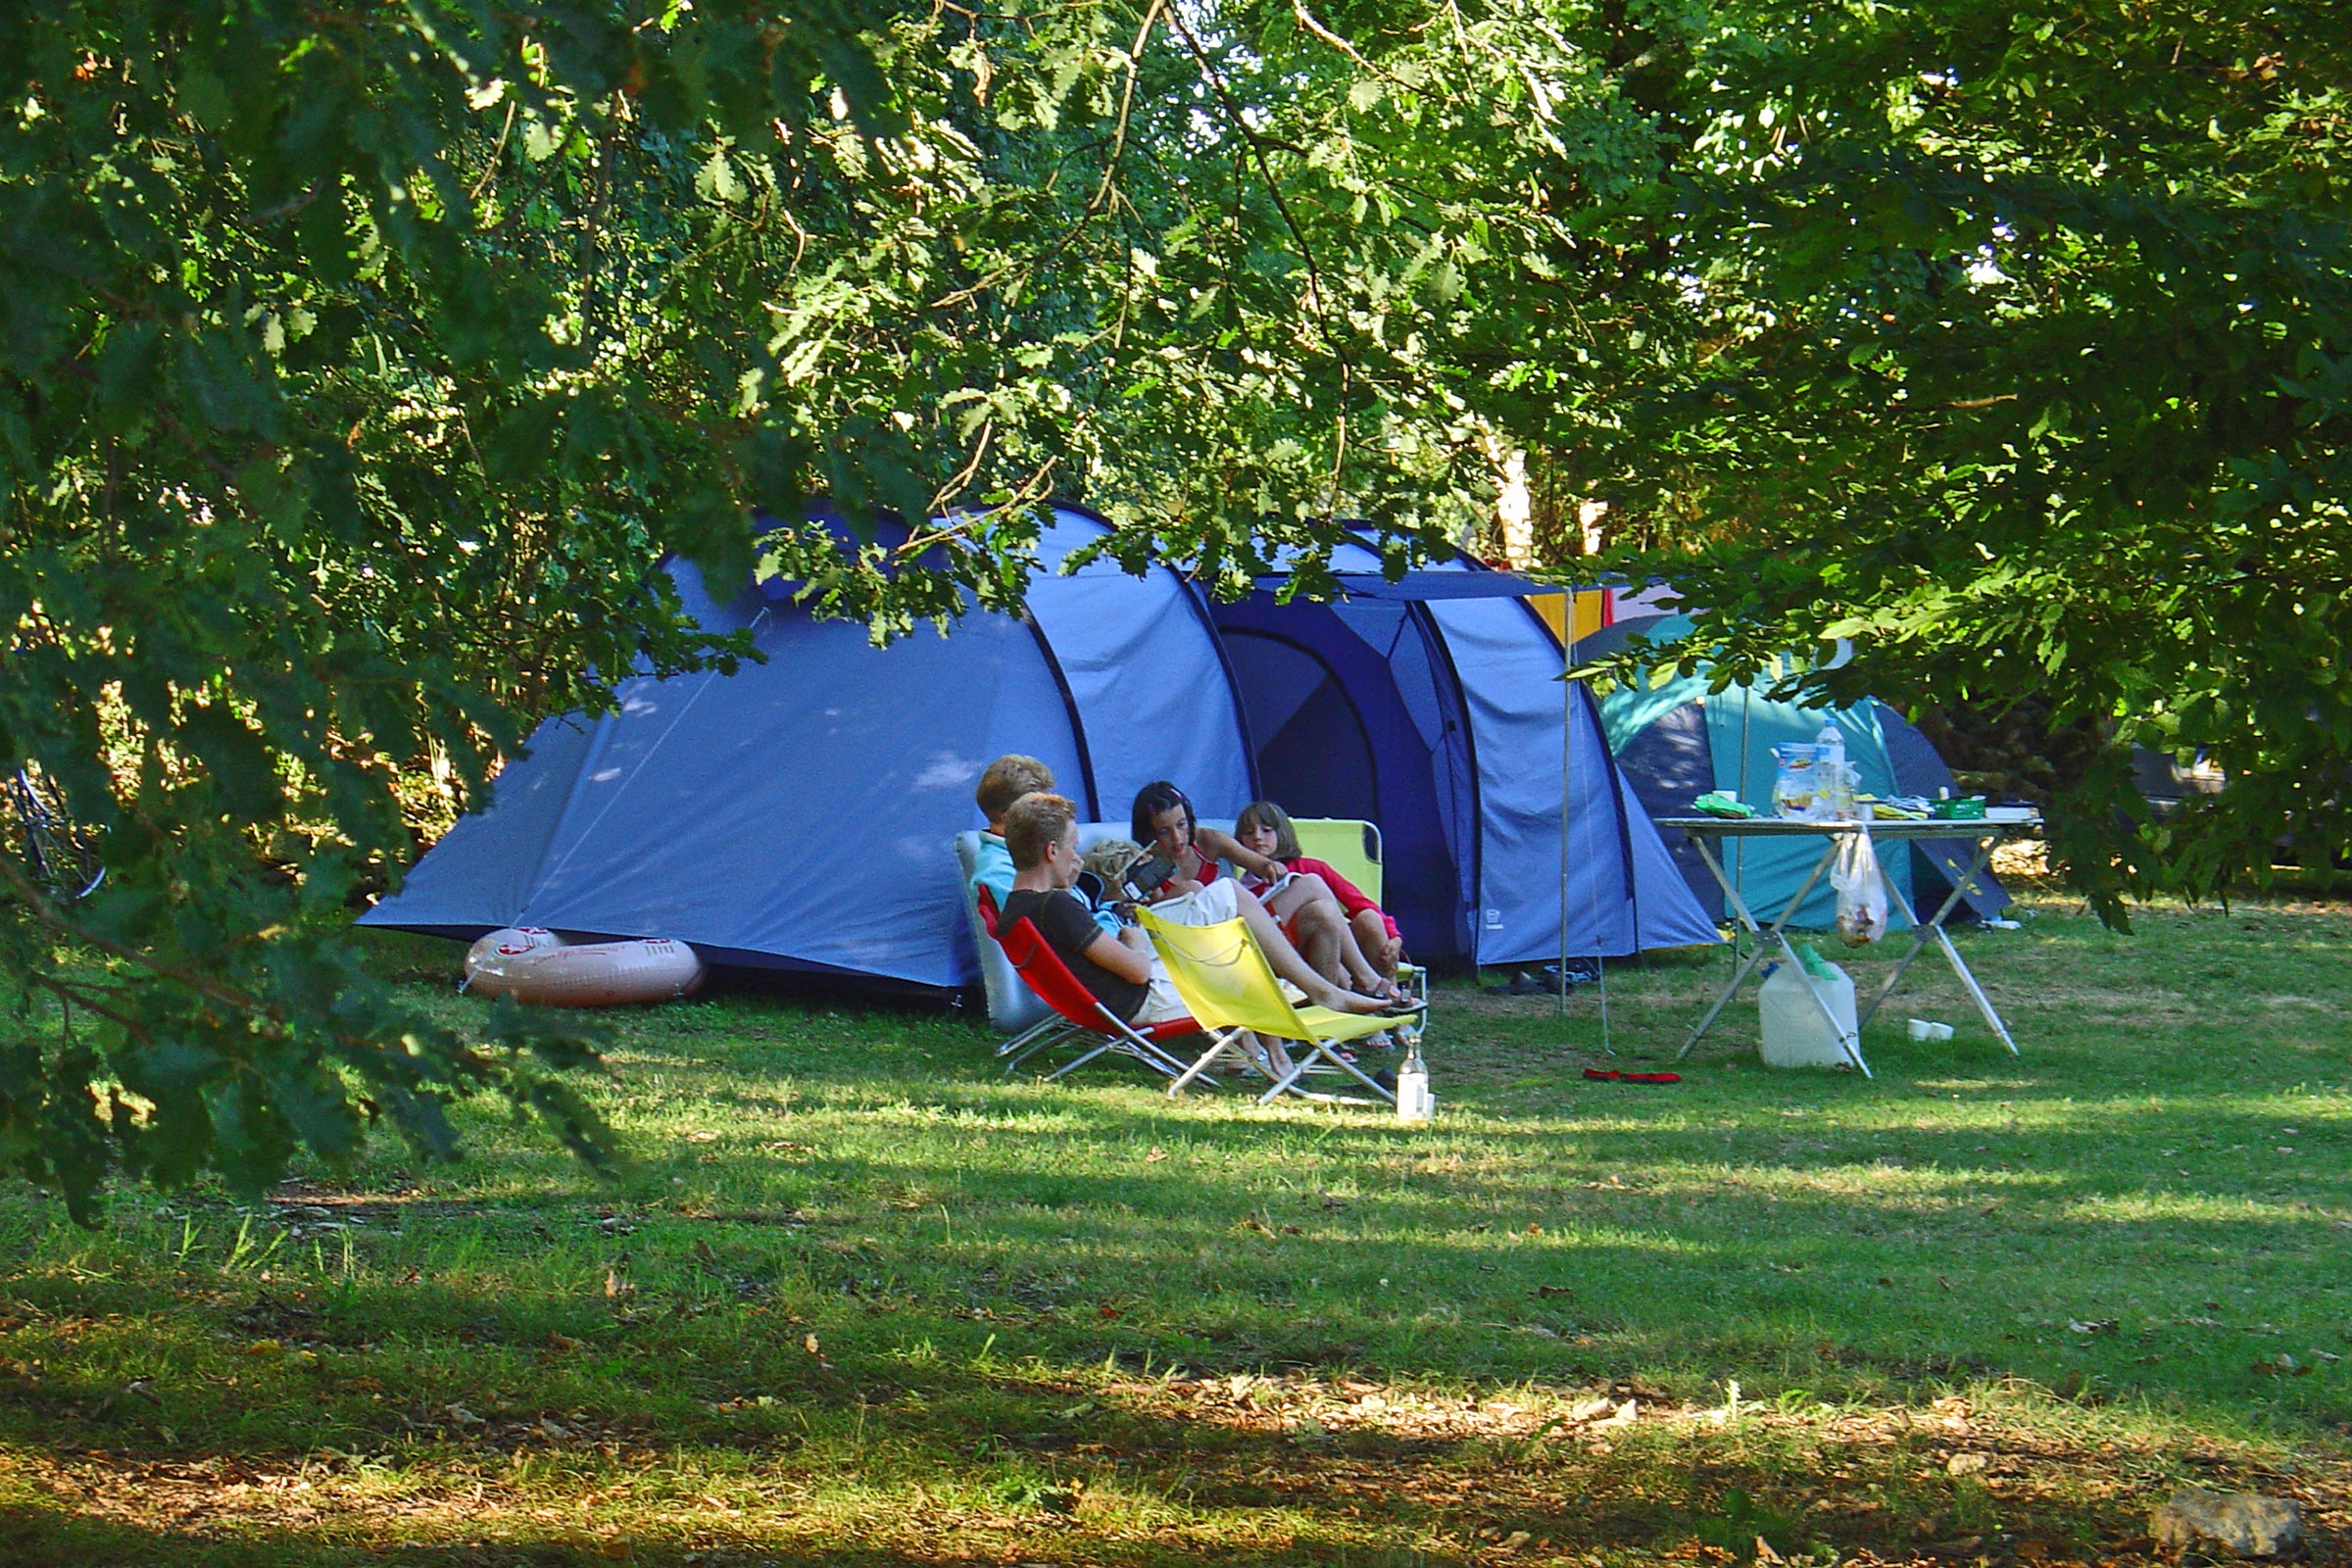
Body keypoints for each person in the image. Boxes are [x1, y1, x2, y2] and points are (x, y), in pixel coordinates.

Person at [1000, 794, 1397, 1044]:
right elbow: (1137, 972)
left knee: (1219, 896)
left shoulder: (1018, 907)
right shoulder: (1055, 907)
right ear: (1051, 852)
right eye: (1071, 848)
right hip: (1147, 996)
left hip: (1128, 993)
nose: (1078, 858)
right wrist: (1134, 941)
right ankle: (1321, 991)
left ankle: (1316, 997)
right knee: (1227, 910)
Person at [1129, 780, 1399, 1001]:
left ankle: (1351, 990)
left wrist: (1270, 868)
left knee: (1321, 903)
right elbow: (1153, 918)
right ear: (1149, 833)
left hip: (1238, 931)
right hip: (1199, 946)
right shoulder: (1145, 863)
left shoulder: (1206, 841)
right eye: (1164, 831)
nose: (1177, 838)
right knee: (1197, 889)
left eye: (1181, 825)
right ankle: (1362, 980)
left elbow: (1256, 863)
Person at [1235, 799, 1405, 979]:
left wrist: (1394, 936)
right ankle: (1365, 985)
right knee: (1321, 909)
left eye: (1266, 830)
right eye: (1248, 832)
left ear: (1282, 833)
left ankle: (1387, 994)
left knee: (1369, 918)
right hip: (1285, 955)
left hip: (1334, 948)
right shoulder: (1242, 889)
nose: (1257, 837)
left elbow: (1361, 904)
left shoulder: (1312, 868)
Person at [966, 755, 1116, 935]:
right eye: (1040, 810)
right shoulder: (998, 873)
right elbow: (1060, 935)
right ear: (1008, 817)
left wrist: (1115, 910)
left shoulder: (1030, 851)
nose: (1053, 816)